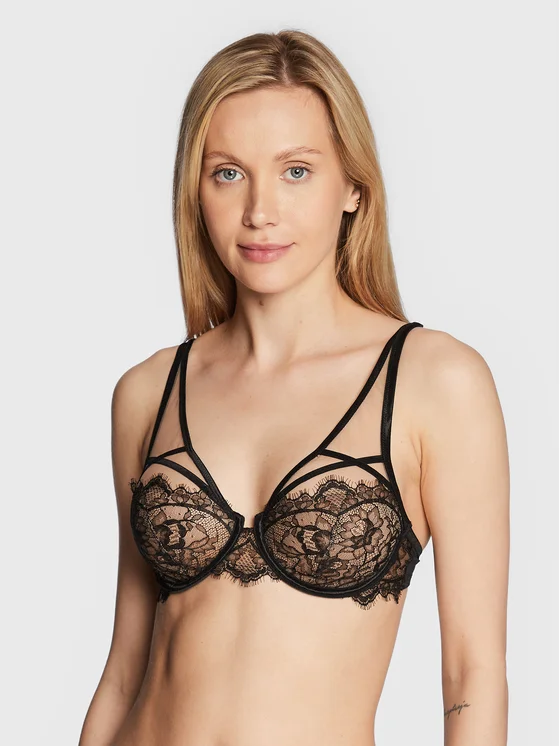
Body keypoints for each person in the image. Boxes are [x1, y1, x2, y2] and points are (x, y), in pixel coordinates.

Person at [79, 29, 510, 746]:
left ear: (353, 187)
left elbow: (473, 674)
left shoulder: (435, 382)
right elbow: (125, 671)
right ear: (195, 190)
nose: (260, 210)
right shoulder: (149, 393)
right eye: (228, 173)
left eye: (297, 171)